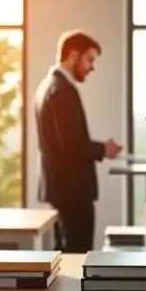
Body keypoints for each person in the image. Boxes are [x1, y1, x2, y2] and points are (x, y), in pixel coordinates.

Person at [34, 30, 123, 253]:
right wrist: (104, 149)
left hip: (61, 188)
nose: (92, 67)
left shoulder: (48, 85)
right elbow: (71, 143)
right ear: (73, 55)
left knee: (64, 255)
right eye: (89, 60)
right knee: (76, 256)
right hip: (72, 190)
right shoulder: (63, 89)